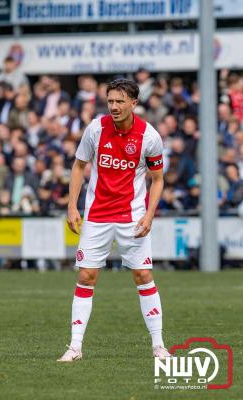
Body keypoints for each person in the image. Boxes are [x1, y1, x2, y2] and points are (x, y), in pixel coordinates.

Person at [57, 79, 170, 363]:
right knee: (86, 276)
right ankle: (75, 347)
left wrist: (149, 213)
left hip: (132, 216)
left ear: (134, 102)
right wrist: (72, 206)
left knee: (143, 275)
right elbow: (79, 165)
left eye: (120, 101)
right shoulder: (95, 128)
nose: (114, 106)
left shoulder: (149, 136)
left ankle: (159, 346)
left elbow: (158, 180)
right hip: (97, 215)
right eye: (110, 101)